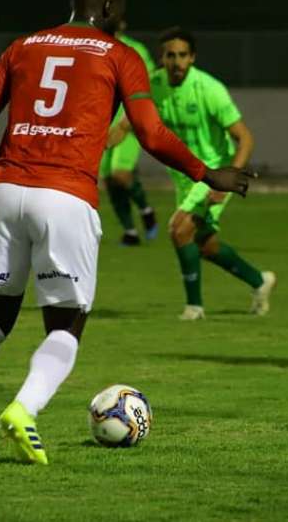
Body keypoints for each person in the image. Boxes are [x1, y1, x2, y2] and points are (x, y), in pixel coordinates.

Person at [0, 0, 253, 464]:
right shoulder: (121, 55)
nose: (124, 21)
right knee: (65, 322)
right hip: (65, 195)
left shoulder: (23, 46)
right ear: (104, 9)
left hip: (8, 190)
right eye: (120, 11)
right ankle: (23, 409)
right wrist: (207, 173)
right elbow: (150, 131)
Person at [109, 27, 276, 321]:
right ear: (162, 58)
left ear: (193, 58)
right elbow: (125, 126)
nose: (176, 62)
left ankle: (194, 308)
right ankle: (259, 281)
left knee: (179, 228)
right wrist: (91, 145)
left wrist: (228, 179)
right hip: (185, 177)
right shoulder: (153, 84)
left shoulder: (209, 89)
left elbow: (245, 137)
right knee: (205, 244)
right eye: (170, 55)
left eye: (182, 55)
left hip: (214, 171)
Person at [99, 20, 159, 245]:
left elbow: (150, 84)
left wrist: (136, 115)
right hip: (103, 123)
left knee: (120, 174)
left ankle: (146, 210)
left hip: (129, 121)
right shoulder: (94, 48)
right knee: (108, 179)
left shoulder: (136, 50)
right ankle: (130, 231)